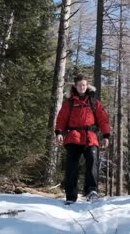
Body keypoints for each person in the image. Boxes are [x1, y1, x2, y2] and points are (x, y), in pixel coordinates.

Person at [55, 74, 110, 205]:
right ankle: (71, 195)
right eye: (80, 85)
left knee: (92, 161)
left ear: (87, 86)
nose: (82, 87)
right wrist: (59, 133)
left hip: (90, 137)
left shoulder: (93, 102)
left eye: (84, 85)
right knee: (72, 166)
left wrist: (106, 135)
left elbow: (103, 119)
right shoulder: (69, 103)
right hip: (73, 137)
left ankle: (91, 191)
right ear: (75, 86)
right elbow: (61, 118)